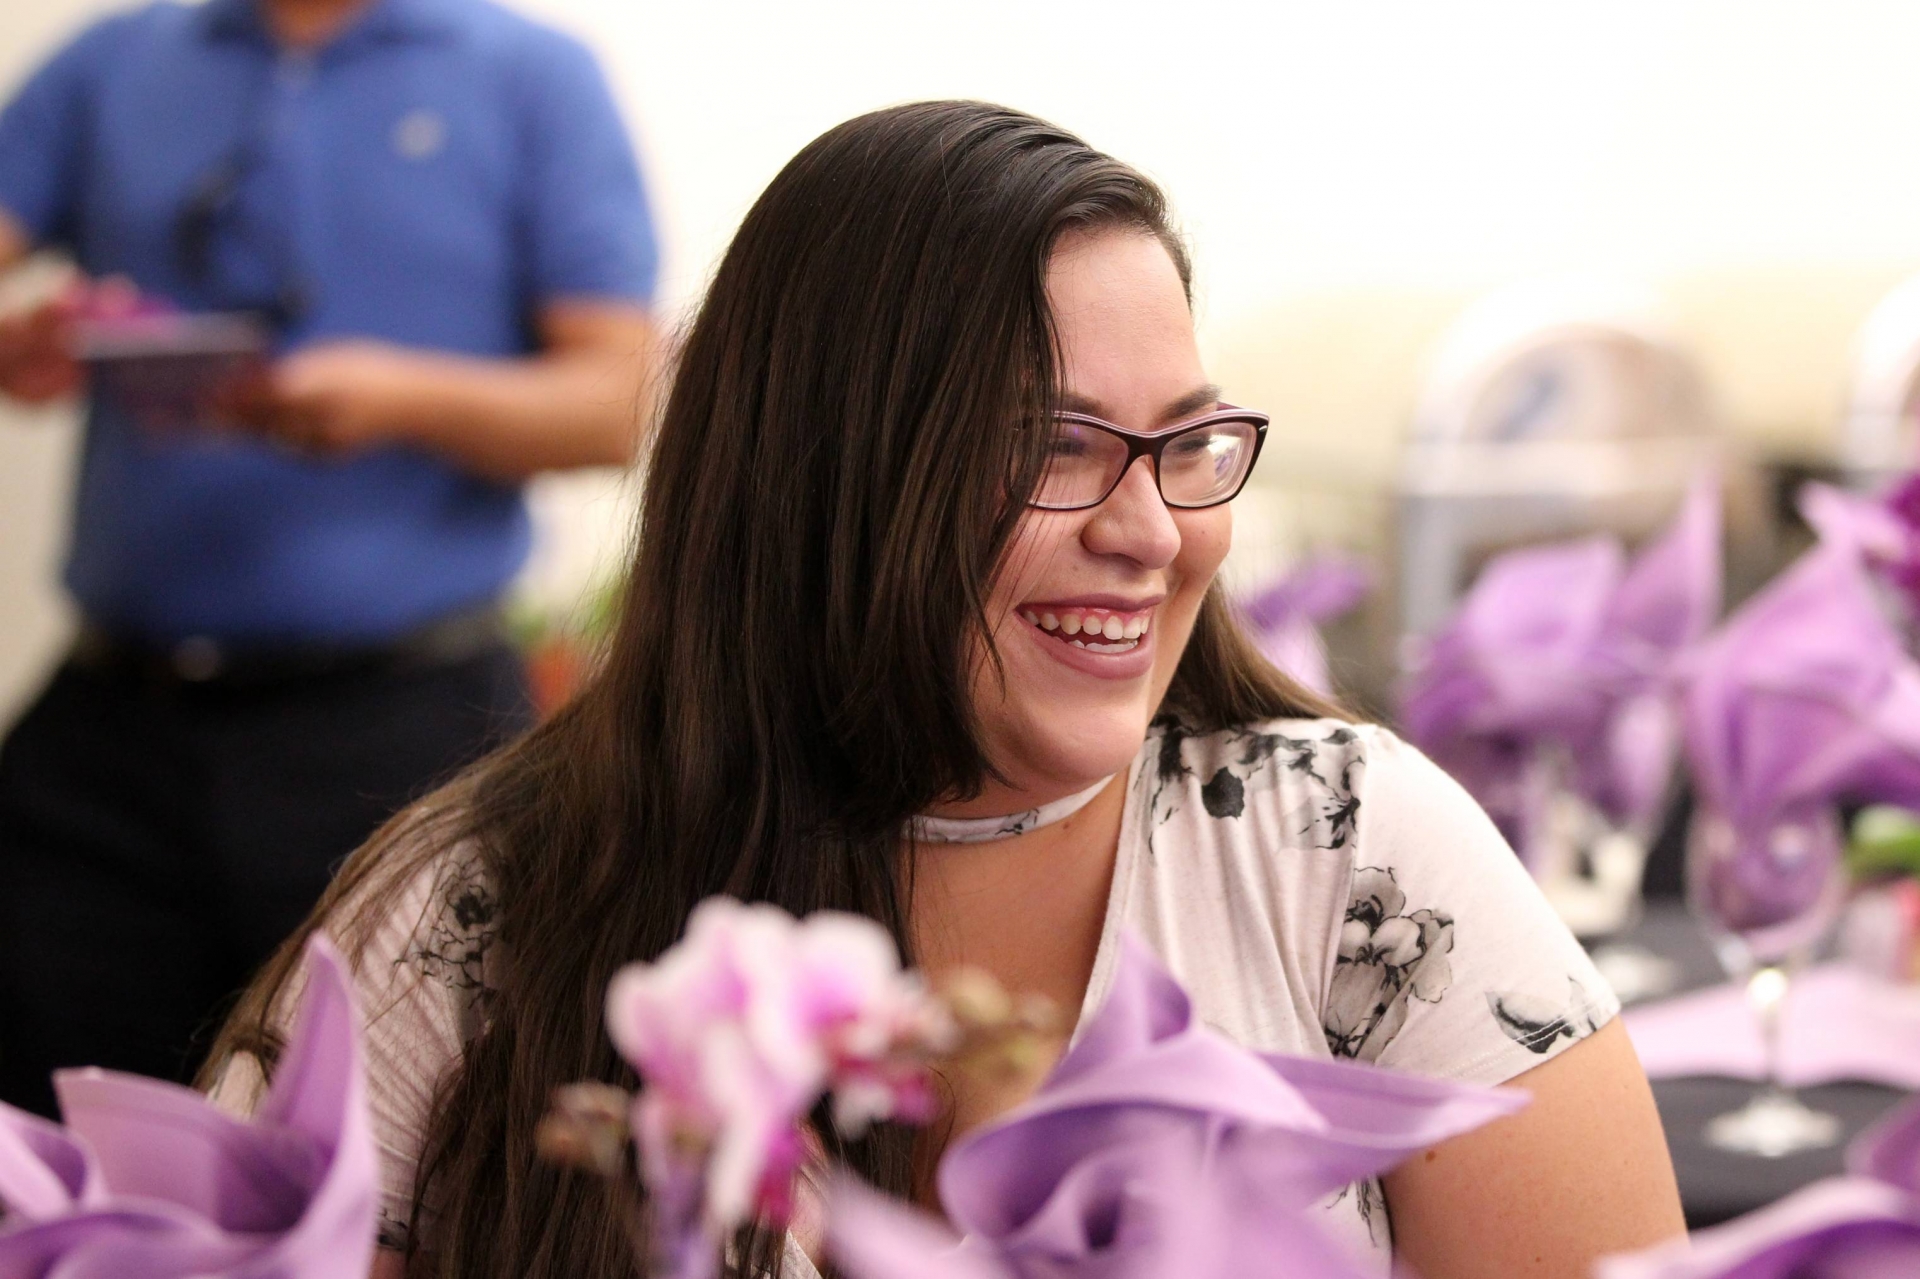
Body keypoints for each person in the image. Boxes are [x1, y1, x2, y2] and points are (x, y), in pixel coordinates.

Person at [205, 101, 1684, 1279]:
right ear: (821, 480)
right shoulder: (481, 921)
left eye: (1184, 440)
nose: (1151, 529)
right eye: (1052, 442)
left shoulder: (1349, 851)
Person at [0, 0, 659, 1119]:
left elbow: (617, 403)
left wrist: (398, 398)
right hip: (113, 738)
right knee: (42, 1138)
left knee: (373, 1141)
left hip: (404, 735)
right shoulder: (117, 60)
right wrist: (26, 341)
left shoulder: (531, 78)